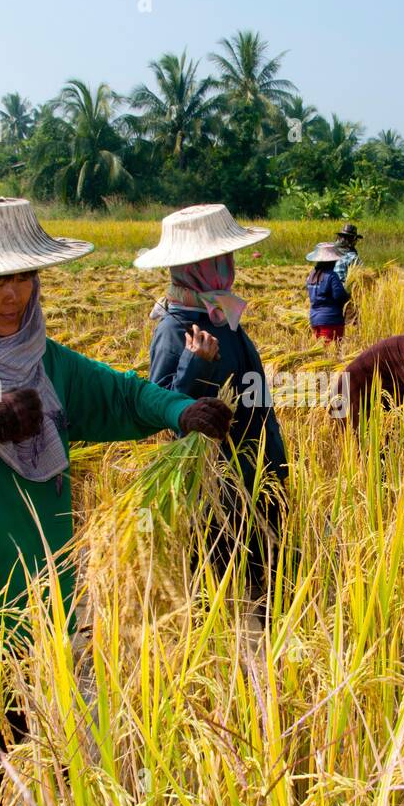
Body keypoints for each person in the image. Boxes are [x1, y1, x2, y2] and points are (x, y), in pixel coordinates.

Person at [0, 191, 232, 806]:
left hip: (34, 609)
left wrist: (180, 409)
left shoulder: (44, 361)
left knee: (22, 771)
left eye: (24, 276)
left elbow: (119, 397)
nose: (14, 295)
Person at [141, 204, 288, 618]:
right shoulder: (174, 329)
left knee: (263, 567)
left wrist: (273, 454)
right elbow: (160, 407)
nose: (229, 266)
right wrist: (194, 364)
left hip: (256, 463)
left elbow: (253, 388)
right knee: (219, 574)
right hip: (215, 477)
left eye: (229, 258)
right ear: (191, 266)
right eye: (217, 260)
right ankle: (220, 660)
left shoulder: (222, 315)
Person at [306, 241, 352, 341]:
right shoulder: (331, 276)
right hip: (331, 320)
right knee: (331, 352)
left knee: (321, 352)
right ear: (331, 261)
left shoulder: (311, 275)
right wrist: (349, 296)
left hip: (314, 319)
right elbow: (339, 296)